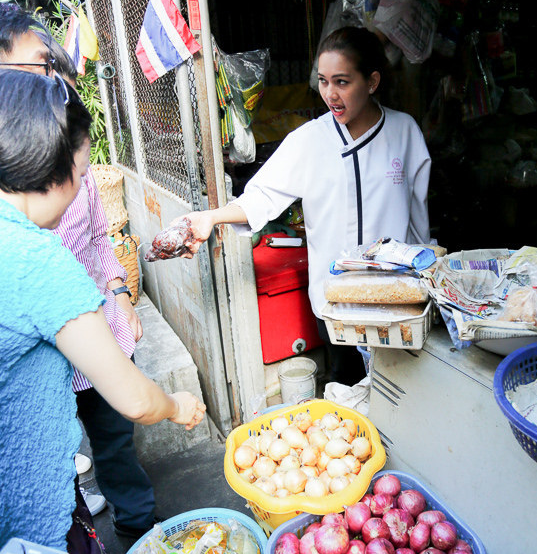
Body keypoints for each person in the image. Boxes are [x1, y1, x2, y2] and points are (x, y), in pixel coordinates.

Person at [0, 69, 206, 554]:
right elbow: (130, 395)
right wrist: (177, 405)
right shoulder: (36, 259)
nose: (85, 185)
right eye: (81, 169)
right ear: (50, 171)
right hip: (26, 529)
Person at [161, 26, 431, 384]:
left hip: (395, 299)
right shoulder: (309, 140)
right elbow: (262, 197)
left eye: (342, 82)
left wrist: (426, 279)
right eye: (323, 81)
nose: (330, 94)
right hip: (336, 301)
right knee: (347, 390)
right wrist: (210, 217)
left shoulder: (404, 131)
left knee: (403, 391)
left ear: (372, 81)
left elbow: (418, 218)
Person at [0, 8, 157, 539]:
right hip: (29, 523)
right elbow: (141, 398)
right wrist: (177, 405)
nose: (51, 80)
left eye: (51, 69)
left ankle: (137, 532)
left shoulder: (69, 156)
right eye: (36, 68)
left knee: (111, 445)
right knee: (53, 456)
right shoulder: (30, 249)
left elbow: (100, 238)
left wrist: (121, 295)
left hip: (98, 337)